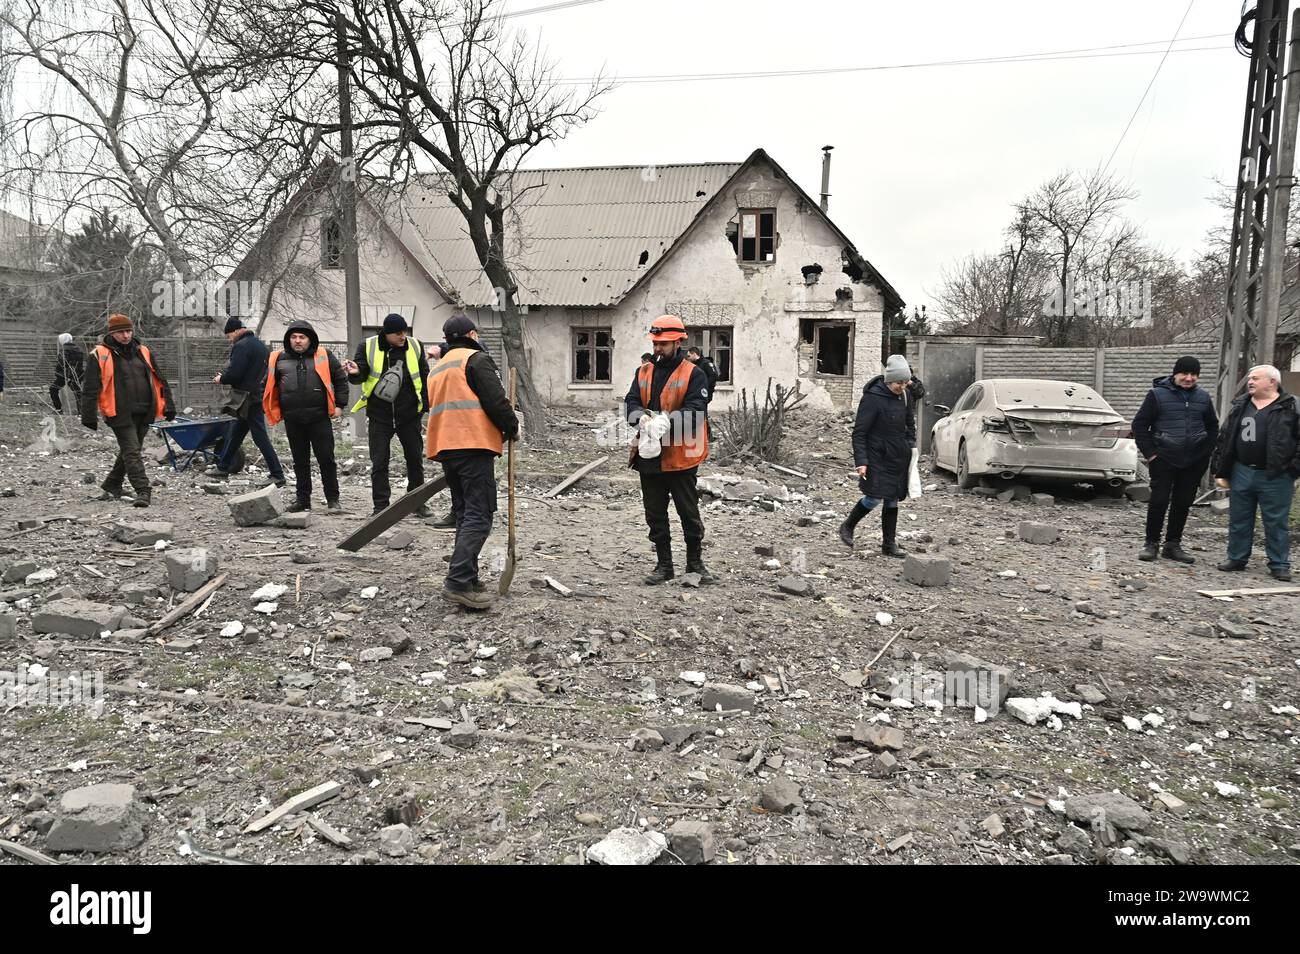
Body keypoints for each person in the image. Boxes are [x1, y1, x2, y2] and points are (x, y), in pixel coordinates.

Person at [424, 314, 518, 609]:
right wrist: (512, 426)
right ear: (473, 335)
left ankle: (469, 577)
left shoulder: (438, 367)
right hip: (472, 444)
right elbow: (494, 399)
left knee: (465, 514)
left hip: (446, 447)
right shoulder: (475, 360)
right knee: (479, 515)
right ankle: (457, 582)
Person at [625, 315, 713, 584]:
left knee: (688, 512)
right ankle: (664, 566)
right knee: (655, 513)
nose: (658, 348)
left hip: (681, 457)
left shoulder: (694, 374)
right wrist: (638, 417)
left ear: (678, 342)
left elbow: (696, 412)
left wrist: (666, 422)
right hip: (649, 456)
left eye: (663, 343)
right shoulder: (644, 372)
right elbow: (630, 402)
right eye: (655, 343)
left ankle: (695, 564)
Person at [1211, 364, 1299, 581]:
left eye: (1256, 378)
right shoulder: (1241, 406)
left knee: (1276, 521)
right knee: (1239, 518)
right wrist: (1220, 467)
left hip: (1276, 475)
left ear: (1272, 382)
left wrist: (1293, 469)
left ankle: (1279, 564)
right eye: (1250, 378)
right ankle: (1237, 558)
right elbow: (1225, 437)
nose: (1250, 381)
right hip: (1242, 471)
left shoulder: (1292, 406)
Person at [80, 313, 175, 507]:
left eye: (128, 331)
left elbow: (160, 378)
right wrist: (88, 415)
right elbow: (90, 388)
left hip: (145, 410)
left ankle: (112, 485)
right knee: (132, 452)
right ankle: (143, 490)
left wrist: (169, 404)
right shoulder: (99, 354)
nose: (126, 335)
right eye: (121, 332)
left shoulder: (143, 351)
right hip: (118, 412)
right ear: (112, 333)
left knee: (130, 450)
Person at [1131, 356, 1218, 563]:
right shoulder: (1157, 395)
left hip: (1193, 462)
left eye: (1193, 374)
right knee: (1159, 501)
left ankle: (1173, 544)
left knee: (1183, 503)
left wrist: (1204, 453)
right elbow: (1139, 425)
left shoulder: (1203, 397)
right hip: (1164, 458)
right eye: (1184, 374)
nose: (1189, 378)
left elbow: (1213, 427)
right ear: (1175, 374)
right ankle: (1151, 543)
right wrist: (1151, 454)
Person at [344, 313, 432, 516]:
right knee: (380, 461)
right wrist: (356, 372)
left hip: (409, 415)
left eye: (405, 332)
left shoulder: (415, 345)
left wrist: (424, 406)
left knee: (415, 460)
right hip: (379, 415)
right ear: (387, 333)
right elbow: (361, 376)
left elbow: (424, 375)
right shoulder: (368, 346)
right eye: (398, 333)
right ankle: (381, 506)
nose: (403, 337)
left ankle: (418, 503)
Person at [262, 320, 349, 513]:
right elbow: (267, 384)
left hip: (319, 418)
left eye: (302, 337)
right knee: (300, 461)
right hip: (293, 419)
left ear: (310, 339)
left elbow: (341, 380)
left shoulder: (324, 355)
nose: (298, 341)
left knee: (326, 459)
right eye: (293, 337)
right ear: (288, 339)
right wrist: (267, 406)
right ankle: (303, 500)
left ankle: (333, 499)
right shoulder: (277, 358)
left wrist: (341, 405)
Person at [839, 357, 915, 555]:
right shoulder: (872, 398)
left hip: (898, 455)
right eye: (899, 382)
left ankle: (888, 545)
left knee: (892, 499)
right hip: (877, 455)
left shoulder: (905, 396)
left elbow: (910, 424)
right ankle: (848, 526)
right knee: (874, 497)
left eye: (905, 382)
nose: (902, 386)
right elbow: (860, 433)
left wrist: (910, 444)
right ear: (889, 380)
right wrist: (861, 461)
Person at [211, 317, 285, 486]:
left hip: (248, 398)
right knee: (236, 433)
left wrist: (221, 378)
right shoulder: (260, 346)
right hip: (257, 394)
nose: (229, 339)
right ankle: (222, 467)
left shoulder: (241, 346)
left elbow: (235, 374)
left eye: (229, 335)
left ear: (236, 331)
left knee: (260, 437)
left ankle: (277, 474)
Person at [50, 332, 84, 413]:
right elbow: (80, 363)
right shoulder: (79, 350)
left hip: (65, 374)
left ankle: (58, 409)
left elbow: (62, 363)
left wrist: (58, 372)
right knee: (77, 392)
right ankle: (81, 411)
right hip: (78, 373)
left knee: (53, 389)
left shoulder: (65, 350)